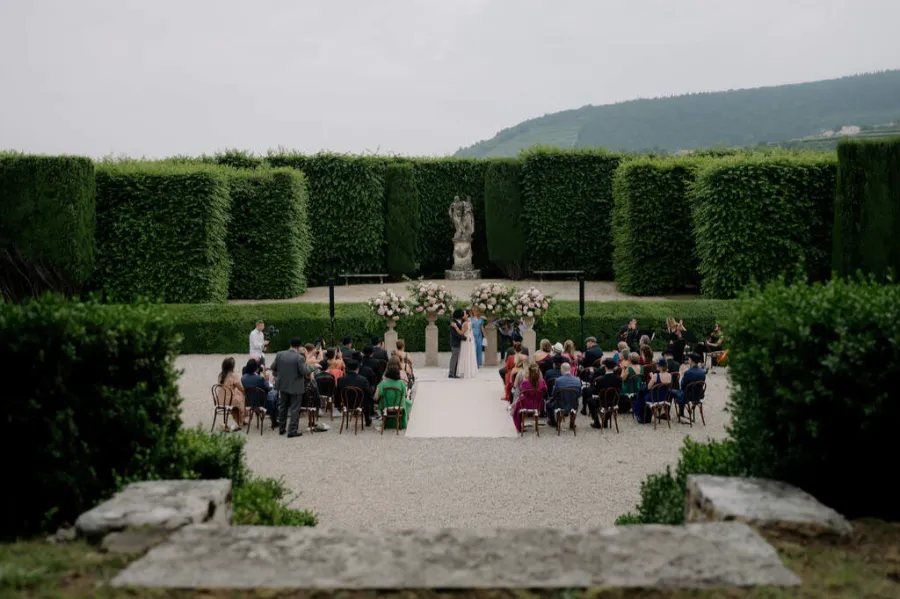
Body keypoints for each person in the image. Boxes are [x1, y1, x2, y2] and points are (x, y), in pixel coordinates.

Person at [271, 337, 310, 438]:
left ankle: (282, 428)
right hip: (295, 386)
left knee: (283, 407)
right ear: (299, 346)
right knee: (294, 408)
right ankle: (292, 430)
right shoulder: (299, 357)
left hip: (283, 385)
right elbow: (304, 372)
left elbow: (273, 367)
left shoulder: (280, 354)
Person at [584, 358, 622, 429]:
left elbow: (595, 393)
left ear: (605, 367)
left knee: (590, 401)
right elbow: (619, 391)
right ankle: (605, 421)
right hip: (614, 401)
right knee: (610, 403)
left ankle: (596, 422)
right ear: (614, 367)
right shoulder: (619, 379)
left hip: (602, 402)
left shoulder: (600, 379)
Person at [335, 359, 373, 426]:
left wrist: (337, 405)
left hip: (345, 404)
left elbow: (337, 394)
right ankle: (367, 419)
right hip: (360, 404)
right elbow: (369, 392)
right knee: (368, 397)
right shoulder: (363, 379)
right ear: (357, 369)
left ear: (347, 368)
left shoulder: (340, 380)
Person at [241, 358, 277, 429]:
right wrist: (267, 381)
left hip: (249, 402)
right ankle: (274, 420)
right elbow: (267, 389)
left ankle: (263, 414)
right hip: (261, 402)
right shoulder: (259, 378)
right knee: (275, 395)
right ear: (256, 368)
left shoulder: (243, 378)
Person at [375, 360, 412, 429]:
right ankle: (401, 423)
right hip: (399, 406)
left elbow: (376, 397)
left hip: (386, 406)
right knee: (408, 402)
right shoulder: (401, 383)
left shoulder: (383, 383)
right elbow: (405, 395)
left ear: (387, 373)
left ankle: (386, 422)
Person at [512, 362, 546, 433]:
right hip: (538, 405)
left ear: (529, 371)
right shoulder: (542, 382)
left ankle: (519, 426)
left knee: (517, 406)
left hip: (526, 405)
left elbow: (521, 391)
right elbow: (545, 390)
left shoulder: (525, 383)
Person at [546, 362, 581, 428]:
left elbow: (553, 394)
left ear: (562, 370)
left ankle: (553, 422)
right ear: (570, 369)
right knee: (576, 401)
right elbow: (579, 394)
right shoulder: (577, 380)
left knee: (548, 403)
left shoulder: (558, 380)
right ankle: (572, 423)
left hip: (560, 404)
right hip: (573, 404)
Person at [673, 352, 707, 418]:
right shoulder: (703, 371)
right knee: (682, 390)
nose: (688, 360)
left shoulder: (688, 372)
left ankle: (680, 413)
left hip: (688, 395)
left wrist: (683, 374)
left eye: (689, 359)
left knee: (672, 391)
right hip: (699, 394)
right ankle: (681, 413)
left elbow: (682, 385)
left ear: (691, 361)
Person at [217, 357, 245, 431]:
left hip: (220, 400)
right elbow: (240, 387)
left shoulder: (220, 375)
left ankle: (238, 421)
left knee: (237, 395)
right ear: (232, 366)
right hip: (229, 401)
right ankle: (240, 421)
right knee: (242, 398)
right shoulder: (233, 375)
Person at [456, 310, 478, 379]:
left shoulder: (466, 323)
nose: (463, 314)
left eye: (464, 313)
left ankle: (464, 371)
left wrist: (455, 327)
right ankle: (469, 371)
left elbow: (461, 333)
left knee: (465, 354)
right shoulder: (469, 322)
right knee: (468, 355)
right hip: (469, 340)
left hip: (466, 341)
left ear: (467, 315)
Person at [448, 309, 466, 378]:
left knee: (457, 358)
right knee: (454, 358)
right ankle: (451, 373)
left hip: (458, 343)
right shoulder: (453, 323)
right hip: (455, 343)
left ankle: (455, 372)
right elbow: (456, 334)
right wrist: (464, 338)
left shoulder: (460, 321)